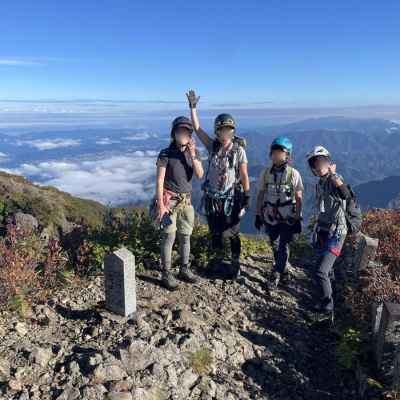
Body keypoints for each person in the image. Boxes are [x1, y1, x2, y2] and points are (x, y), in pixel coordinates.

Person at [186, 89, 250, 280]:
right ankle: (218, 262)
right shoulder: (213, 146)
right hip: (213, 198)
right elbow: (197, 129)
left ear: (233, 131)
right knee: (215, 231)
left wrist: (247, 196)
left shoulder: (239, 151)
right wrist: (193, 107)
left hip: (230, 198)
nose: (225, 132)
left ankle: (235, 264)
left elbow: (244, 174)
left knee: (231, 232)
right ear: (217, 131)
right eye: (222, 129)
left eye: (229, 129)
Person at [155, 116, 204, 290]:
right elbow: (160, 180)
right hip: (169, 201)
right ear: (173, 133)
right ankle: (166, 273)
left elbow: (199, 174)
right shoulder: (165, 153)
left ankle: (184, 269)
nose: (182, 134)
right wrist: (160, 204)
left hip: (186, 202)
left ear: (190, 135)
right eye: (179, 131)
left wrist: (192, 154)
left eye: (186, 132)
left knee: (185, 236)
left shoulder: (194, 153)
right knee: (169, 236)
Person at [306, 145, 352, 323]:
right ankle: (327, 307)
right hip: (325, 230)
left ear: (328, 162)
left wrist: (333, 174)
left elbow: (345, 194)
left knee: (321, 271)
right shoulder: (321, 182)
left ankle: (327, 311)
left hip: (337, 232)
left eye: (321, 162)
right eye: (314, 163)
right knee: (326, 271)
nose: (317, 166)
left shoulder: (334, 178)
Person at [255, 136, 304, 287]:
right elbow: (261, 194)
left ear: (287, 154)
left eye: (280, 152)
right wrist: (258, 214)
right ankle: (283, 269)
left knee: (283, 245)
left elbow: (299, 196)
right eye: (275, 152)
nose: (277, 155)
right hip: (270, 215)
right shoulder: (266, 173)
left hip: (288, 216)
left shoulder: (293, 174)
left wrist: (297, 217)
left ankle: (276, 273)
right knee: (274, 244)